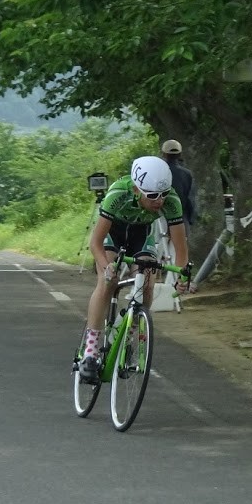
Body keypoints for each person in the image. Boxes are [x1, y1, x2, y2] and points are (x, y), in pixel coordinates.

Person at [77, 156, 191, 384]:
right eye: (152, 195)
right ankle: (90, 351)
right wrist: (106, 267)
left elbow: (181, 247)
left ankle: (130, 334)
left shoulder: (171, 201)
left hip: (142, 234)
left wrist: (182, 276)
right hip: (113, 233)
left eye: (164, 194)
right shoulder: (118, 193)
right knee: (107, 282)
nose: (159, 201)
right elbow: (95, 243)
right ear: (137, 189)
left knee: (148, 282)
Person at [160, 139, 198, 229]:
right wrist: (190, 219)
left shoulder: (156, 171)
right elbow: (190, 199)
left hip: (159, 218)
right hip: (180, 219)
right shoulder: (186, 174)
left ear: (163, 154)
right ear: (180, 154)